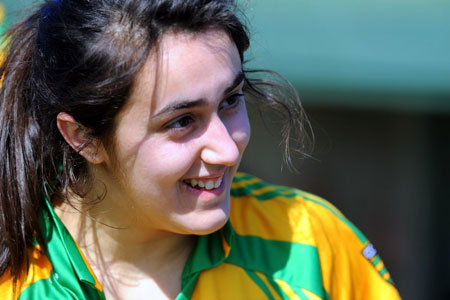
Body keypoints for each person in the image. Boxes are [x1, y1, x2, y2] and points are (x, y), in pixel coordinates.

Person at [0, 0, 401, 299]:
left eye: (231, 100)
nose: (227, 150)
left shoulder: (310, 246)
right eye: (181, 121)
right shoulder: (13, 282)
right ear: (82, 137)